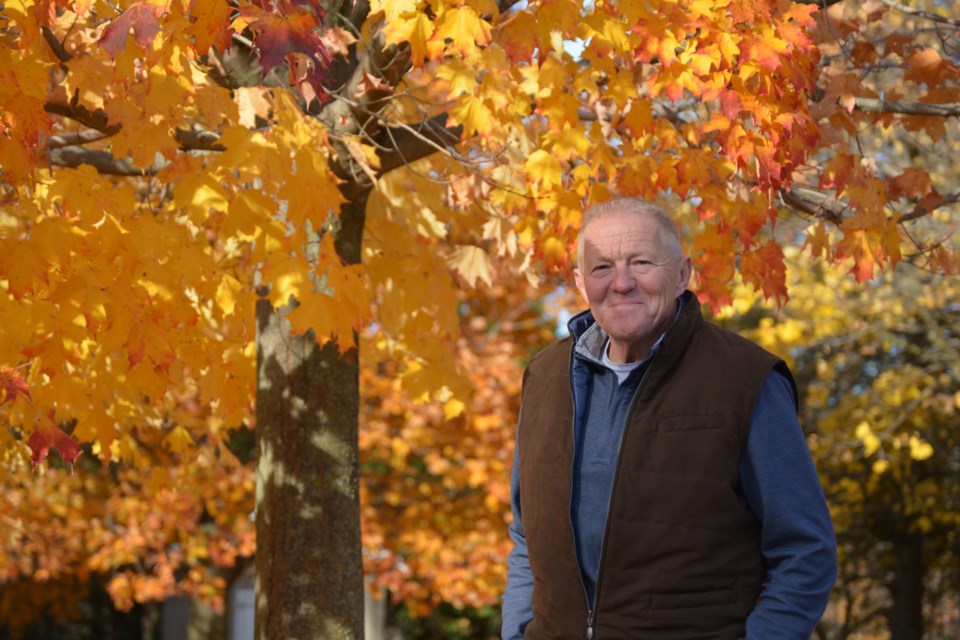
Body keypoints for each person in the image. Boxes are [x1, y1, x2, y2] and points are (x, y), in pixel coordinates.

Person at [501, 198, 837, 640]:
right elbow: (528, 538)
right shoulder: (543, 378)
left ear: (682, 274)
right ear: (581, 283)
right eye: (602, 268)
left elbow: (804, 550)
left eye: (641, 262)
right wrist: (516, 631)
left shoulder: (746, 379)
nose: (622, 283)